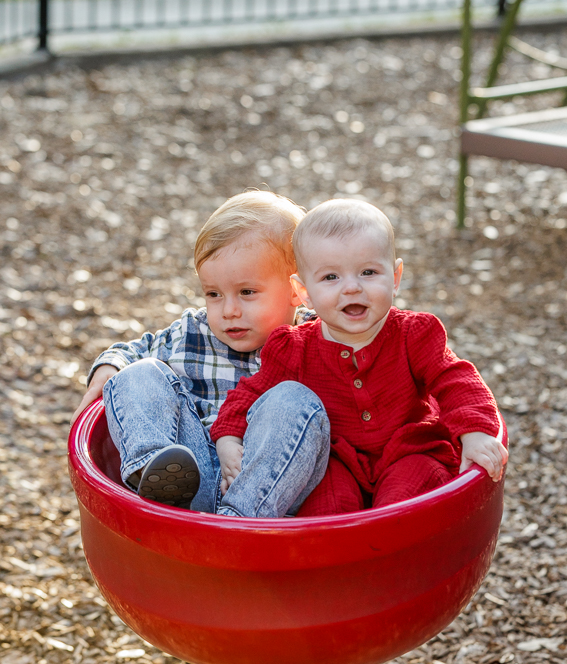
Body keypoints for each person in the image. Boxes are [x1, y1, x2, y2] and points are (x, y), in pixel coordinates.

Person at [210, 199, 508, 517]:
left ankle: (395, 560)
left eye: (368, 272)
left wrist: (476, 433)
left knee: (402, 502)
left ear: (394, 277)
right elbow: (250, 394)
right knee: (328, 509)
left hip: (410, 452)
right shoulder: (294, 348)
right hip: (337, 463)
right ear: (303, 291)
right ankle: (331, 565)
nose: (351, 288)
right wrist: (228, 440)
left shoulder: (414, 334)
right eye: (330, 278)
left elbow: (456, 378)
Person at [70, 190, 331, 517]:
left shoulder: (319, 340)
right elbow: (135, 350)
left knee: (295, 400)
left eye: (246, 292)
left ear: (297, 291)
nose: (229, 310)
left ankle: (237, 520)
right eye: (213, 294)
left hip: (265, 493)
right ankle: (152, 469)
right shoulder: (193, 333)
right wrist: (109, 367)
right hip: (191, 483)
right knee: (139, 372)